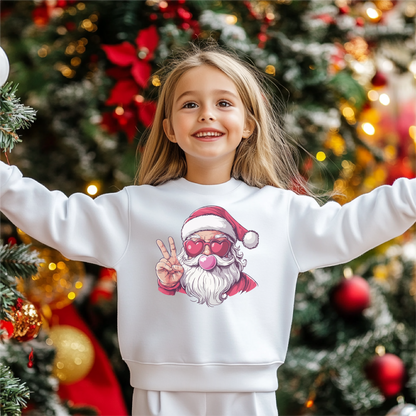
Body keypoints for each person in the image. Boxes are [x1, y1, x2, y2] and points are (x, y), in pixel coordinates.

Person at [1, 41, 416, 416]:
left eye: (224, 103)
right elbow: (60, 218)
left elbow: (350, 226)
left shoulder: (280, 211)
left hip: (249, 395)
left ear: (249, 124)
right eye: (189, 105)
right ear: (168, 128)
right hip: (160, 393)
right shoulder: (135, 208)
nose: (207, 114)